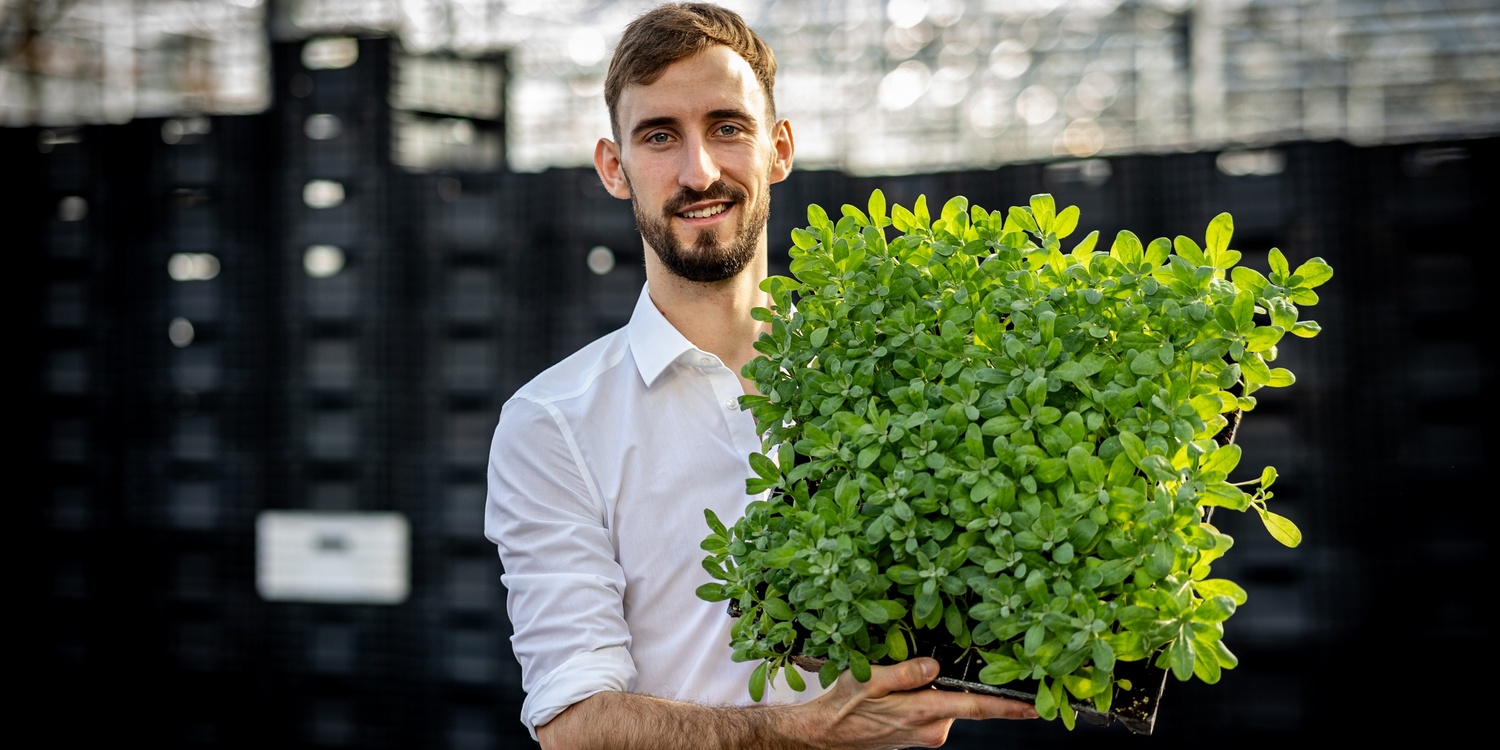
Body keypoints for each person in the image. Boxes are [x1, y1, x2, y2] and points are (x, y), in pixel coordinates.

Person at [484, 4, 1038, 748]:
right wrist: (805, 731)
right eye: (658, 136)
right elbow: (574, 724)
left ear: (778, 148)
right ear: (614, 168)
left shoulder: (899, 381)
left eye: (727, 127)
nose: (699, 171)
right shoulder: (554, 422)